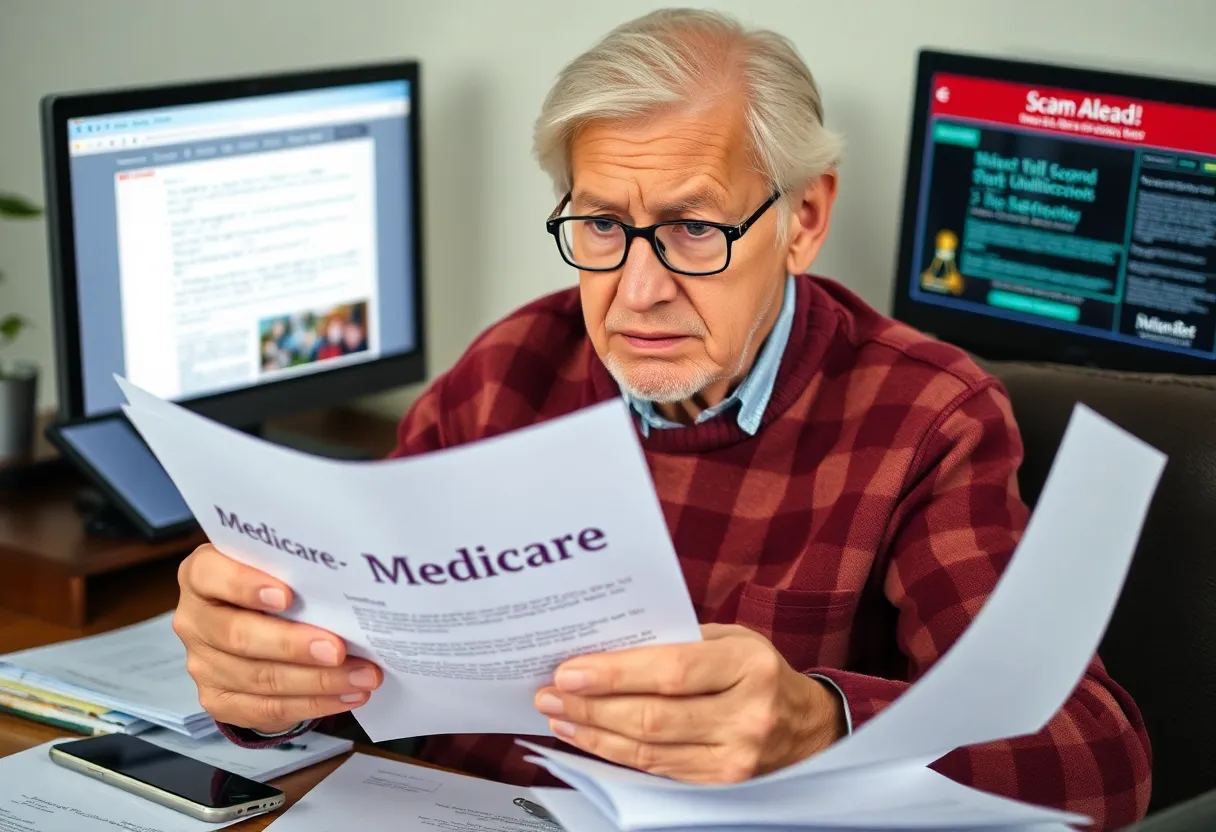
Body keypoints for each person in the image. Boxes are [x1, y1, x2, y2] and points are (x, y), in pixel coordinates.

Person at [169, 9, 1150, 828]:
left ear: (803, 219)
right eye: (600, 225)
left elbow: (1098, 765)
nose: (636, 291)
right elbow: (358, 687)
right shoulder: (507, 372)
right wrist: (261, 686)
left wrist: (822, 722)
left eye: (691, 228)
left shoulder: (925, 414)